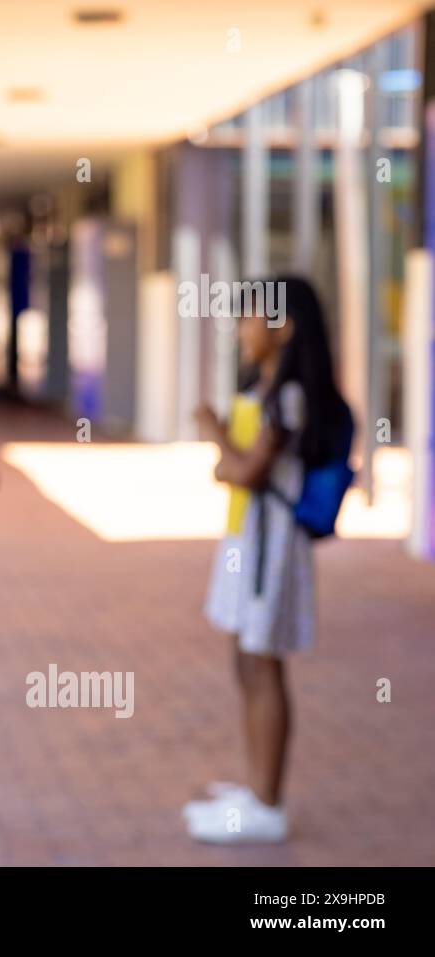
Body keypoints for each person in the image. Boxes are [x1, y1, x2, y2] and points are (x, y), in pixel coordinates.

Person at [186, 275, 352, 844]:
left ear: (283, 325)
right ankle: (256, 785)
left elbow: (246, 471)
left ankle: (267, 800)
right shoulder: (264, 389)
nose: (242, 329)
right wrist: (229, 462)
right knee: (246, 661)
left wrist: (213, 436)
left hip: (269, 550)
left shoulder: (289, 396)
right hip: (246, 543)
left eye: (250, 317)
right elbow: (238, 469)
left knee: (264, 664)